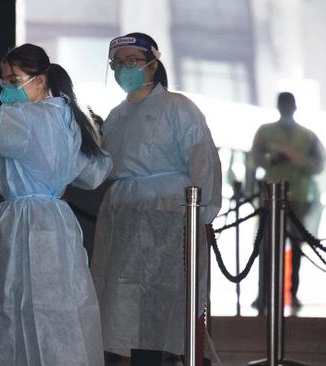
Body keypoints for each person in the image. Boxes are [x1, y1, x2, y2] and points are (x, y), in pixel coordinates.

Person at [0, 43, 112, 366]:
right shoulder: (69, 118)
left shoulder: (25, 118)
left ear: (40, 80)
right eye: (2, 81)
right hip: (58, 222)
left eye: (13, 81)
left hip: (27, 222)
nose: (5, 89)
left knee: (19, 311)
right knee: (62, 311)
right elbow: (95, 173)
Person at [90, 33, 222, 365]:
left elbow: (203, 161)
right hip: (125, 218)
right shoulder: (118, 114)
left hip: (169, 217)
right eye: (117, 63)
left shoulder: (177, 107)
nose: (124, 69)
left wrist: (203, 216)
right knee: (125, 303)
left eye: (132, 61)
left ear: (152, 63)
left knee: (163, 302)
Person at [249, 91, 325, 310]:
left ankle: (293, 292)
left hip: (299, 195)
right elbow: (255, 158)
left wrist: (299, 160)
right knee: (265, 245)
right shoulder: (265, 132)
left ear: (293, 107)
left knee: (296, 246)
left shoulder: (308, 136)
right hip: (269, 195)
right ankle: (263, 293)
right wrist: (272, 158)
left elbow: (319, 164)